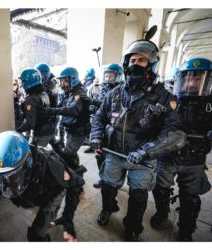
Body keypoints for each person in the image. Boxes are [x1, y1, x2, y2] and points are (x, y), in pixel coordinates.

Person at [89, 39, 185, 241]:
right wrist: (96, 135)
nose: (135, 64)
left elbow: (174, 134)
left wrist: (146, 151)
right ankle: (108, 209)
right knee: (108, 187)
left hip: (143, 159)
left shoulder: (165, 97)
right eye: (132, 59)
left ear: (151, 64)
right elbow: (99, 116)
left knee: (139, 197)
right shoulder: (115, 94)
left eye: (142, 60)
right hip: (115, 153)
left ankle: (132, 227)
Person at [0, 131, 84, 242]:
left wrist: (68, 217)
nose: (8, 180)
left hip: (51, 190)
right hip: (31, 193)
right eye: (3, 177)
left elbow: (76, 182)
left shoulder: (51, 165)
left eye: (13, 175)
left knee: (36, 236)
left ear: (28, 162)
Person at [150, 57, 212, 241]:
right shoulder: (170, 100)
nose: (192, 82)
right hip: (167, 156)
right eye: (188, 78)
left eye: (198, 78)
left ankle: (186, 228)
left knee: (190, 197)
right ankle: (162, 213)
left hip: (194, 159)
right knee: (160, 188)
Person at [43, 67, 91, 175]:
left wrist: (52, 111)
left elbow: (73, 110)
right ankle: (75, 169)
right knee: (71, 153)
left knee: (67, 155)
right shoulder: (71, 92)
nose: (62, 83)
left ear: (72, 79)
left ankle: (77, 175)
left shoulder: (79, 93)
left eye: (65, 80)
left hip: (78, 131)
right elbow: (63, 105)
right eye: (62, 80)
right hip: (72, 129)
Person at [84, 64, 123, 155]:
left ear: (118, 76)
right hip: (100, 119)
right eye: (106, 75)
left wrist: (93, 101)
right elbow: (101, 101)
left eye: (111, 76)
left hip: (112, 124)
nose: (108, 78)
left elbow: (111, 107)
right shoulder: (104, 88)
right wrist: (93, 106)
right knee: (99, 153)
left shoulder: (121, 90)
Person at [17, 68, 56, 147]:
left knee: (37, 157)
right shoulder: (43, 93)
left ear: (28, 81)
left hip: (41, 134)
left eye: (23, 81)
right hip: (50, 129)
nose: (21, 84)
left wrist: (17, 130)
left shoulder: (31, 99)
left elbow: (30, 123)